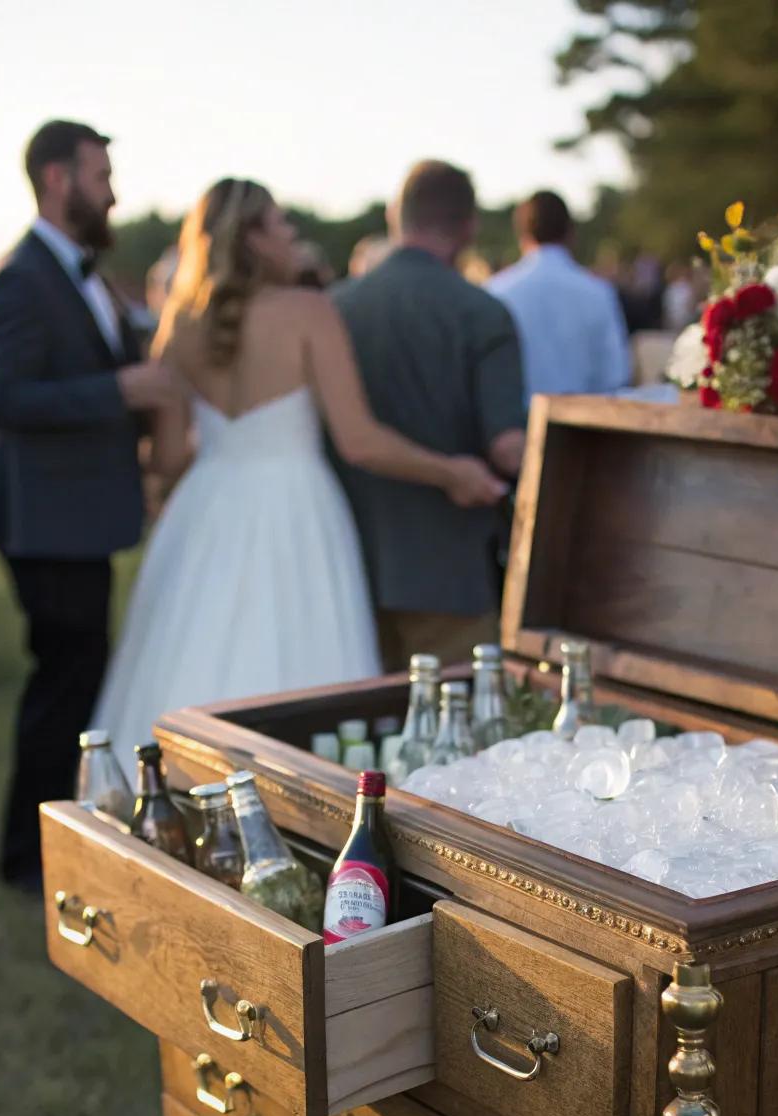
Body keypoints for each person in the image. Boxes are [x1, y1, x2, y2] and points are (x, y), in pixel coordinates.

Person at [91, 177, 505, 773]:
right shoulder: (310, 311)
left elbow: (167, 461)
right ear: (254, 238)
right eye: (282, 223)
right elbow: (359, 441)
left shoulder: (180, 324)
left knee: (189, 646)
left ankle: (175, 784)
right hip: (298, 509)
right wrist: (451, 471)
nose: (293, 235)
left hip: (204, 509)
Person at [0, 119, 178, 893]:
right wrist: (120, 391)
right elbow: (2, 397)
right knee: (62, 683)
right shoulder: (23, 277)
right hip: (46, 529)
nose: (113, 192)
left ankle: (47, 839)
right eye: (100, 176)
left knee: (76, 678)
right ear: (59, 179)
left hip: (79, 522)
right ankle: (26, 857)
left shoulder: (83, 274)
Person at [331, 160, 526, 671]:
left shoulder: (334, 309)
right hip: (451, 568)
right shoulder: (482, 312)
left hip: (345, 561)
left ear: (397, 218)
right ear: (469, 227)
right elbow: (507, 446)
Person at [486, 191, 630, 406]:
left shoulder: (495, 292)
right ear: (570, 233)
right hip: (584, 429)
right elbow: (615, 375)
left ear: (522, 235)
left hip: (516, 429)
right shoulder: (599, 293)